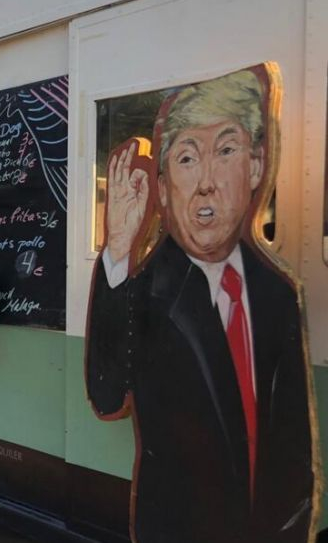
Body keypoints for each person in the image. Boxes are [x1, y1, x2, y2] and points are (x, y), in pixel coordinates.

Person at [86, 65, 315, 543]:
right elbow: (107, 395)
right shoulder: (146, 289)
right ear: (164, 186)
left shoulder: (278, 294)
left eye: (226, 151)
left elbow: (295, 458)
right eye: (187, 158)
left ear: (256, 167)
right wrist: (119, 249)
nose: (206, 182)